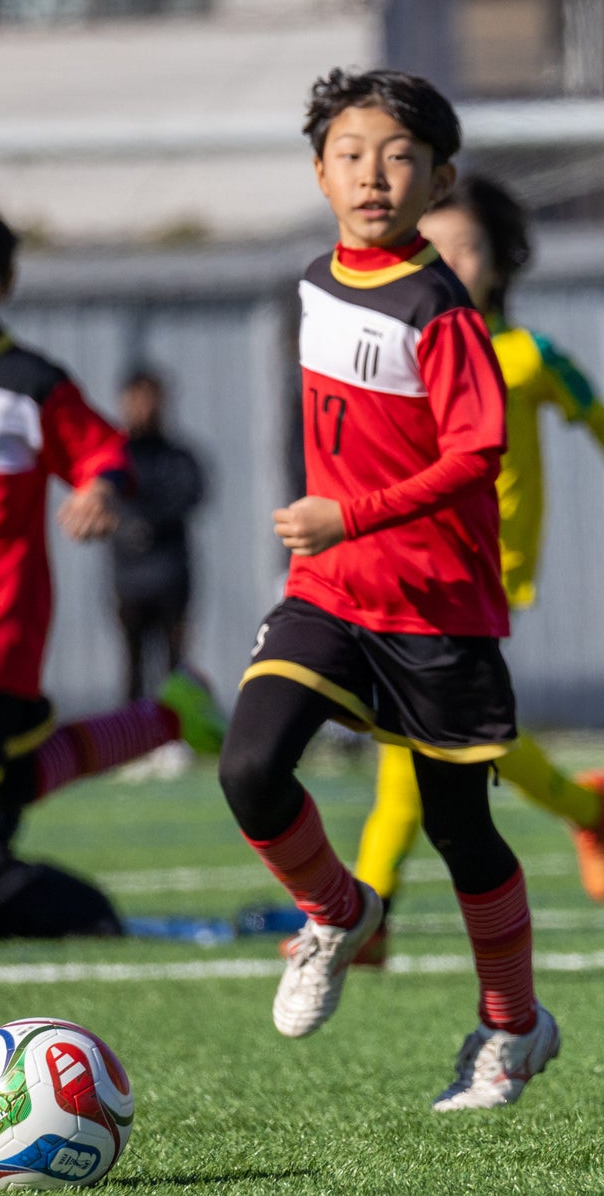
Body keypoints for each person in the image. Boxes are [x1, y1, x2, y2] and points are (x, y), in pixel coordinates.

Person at [213, 69, 550, 1110]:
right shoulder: (313, 282)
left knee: (461, 835)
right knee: (250, 766)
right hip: (327, 589)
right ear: (320, 173)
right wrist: (335, 533)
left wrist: (348, 514)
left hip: (435, 606)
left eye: (400, 158)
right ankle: (336, 909)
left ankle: (513, 1028)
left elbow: (476, 454)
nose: (373, 175)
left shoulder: (439, 308)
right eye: (351, 155)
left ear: (439, 181)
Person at [0, 188, 227, 998]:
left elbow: (103, 451)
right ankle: (169, 715)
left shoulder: (32, 385)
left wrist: (101, 489)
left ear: (5, 282)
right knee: (9, 780)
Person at [348, 175, 604, 963]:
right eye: (435, 248)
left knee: (413, 739)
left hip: (483, 577)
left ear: (498, 262)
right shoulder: (400, 358)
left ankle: (367, 915)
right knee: (432, 735)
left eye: (468, 248)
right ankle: (584, 807)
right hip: (408, 571)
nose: (451, 262)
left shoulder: (527, 356)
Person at [111, 369, 207, 704]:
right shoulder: (114, 458)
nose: (144, 408)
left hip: (171, 577)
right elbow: (106, 498)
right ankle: (131, 728)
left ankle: (175, 726)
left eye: (150, 399)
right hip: (129, 581)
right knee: (133, 666)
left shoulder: (178, 458)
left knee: (174, 665)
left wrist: (152, 522)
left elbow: (193, 493)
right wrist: (129, 527)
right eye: (137, 399)